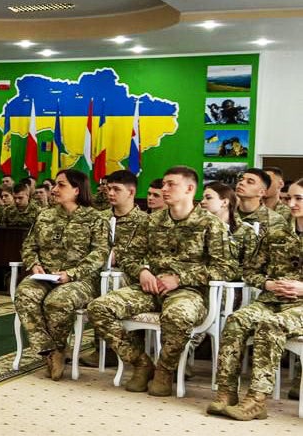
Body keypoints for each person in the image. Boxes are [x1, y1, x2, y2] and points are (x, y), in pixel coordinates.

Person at [89, 166, 237, 397]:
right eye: (163, 184)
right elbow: (129, 256)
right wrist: (142, 272)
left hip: (188, 292)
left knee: (178, 316)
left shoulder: (210, 224)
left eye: (171, 185)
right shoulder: (152, 221)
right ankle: (140, 363)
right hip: (150, 287)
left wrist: (180, 279)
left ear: (189, 189)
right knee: (99, 308)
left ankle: (164, 371)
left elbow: (226, 267)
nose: (164, 189)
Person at [210, 179, 303, 420]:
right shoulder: (276, 232)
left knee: (271, 326)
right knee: (236, 320)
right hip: (271, 300)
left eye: (298, 199)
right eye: (288, 198)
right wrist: (268, 283)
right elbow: (251, 271)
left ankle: (257, 400)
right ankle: (226, 393)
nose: (291, 204)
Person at [16, 169, 109, 380]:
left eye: (61, 185)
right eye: (55, 185)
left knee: (57, 301)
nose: (55, 190)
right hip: (45, 276)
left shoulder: (95, 218)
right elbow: (29, 245)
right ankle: (51, 350)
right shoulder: (45, 215)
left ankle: (58, 348)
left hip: (80, 281)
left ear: (77, 190)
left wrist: (72, 274)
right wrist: (34, 264)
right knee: (25, 294)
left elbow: (100, 253)